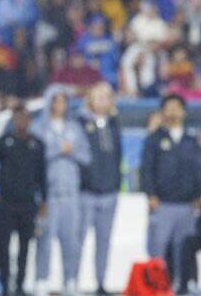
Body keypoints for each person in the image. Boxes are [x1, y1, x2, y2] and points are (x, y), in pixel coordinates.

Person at [32, 87, 91, 296]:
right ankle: (41, 279)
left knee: (71, 241)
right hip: (49, 194)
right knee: (45, 238)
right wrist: (59, 150)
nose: (59, 105)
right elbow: (35, 158)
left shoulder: (75, 128)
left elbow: (86, 157)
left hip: (71, 193)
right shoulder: (38, 128)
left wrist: (71, 151)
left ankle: (71, 280)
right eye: (55, 101)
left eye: (63, 101)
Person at [0, 105, 46, 296]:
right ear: (13, 121)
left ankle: (19, 285)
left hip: (28, 204)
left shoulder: (37, 144)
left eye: (25, 118)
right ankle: (4, 285)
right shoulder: (3, 142)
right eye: (18, 118)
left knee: (25, 247)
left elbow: (42, 176)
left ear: (29, 121)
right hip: (6, 204)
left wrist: (44, 201)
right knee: (3, 246)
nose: (21, 122)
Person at [141, 94, 201, 282]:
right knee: (158, 249)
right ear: (162, 111)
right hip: (163, 203)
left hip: (186, 204)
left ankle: (182, 287)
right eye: (169, 107)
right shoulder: (154, 139)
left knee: (184, 250)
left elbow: (198, 170)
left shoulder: (191, 139)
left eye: (177, 107)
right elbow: (147, 170)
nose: (173, 111)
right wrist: (151, 194)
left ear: (183, 112)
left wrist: (198, 196)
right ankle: (156, 288)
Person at [77, 82, 122, 295]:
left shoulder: (114, 124)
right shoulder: (80, 122)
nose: (103, 101)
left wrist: (115, 183)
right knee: (79, 239)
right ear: (90, 99)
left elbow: (118, 157)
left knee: (104, 241)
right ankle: (72, 280)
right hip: (87, 192)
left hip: (109, 192)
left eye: (107, 97)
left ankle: (101, 282)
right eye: (99, 96)